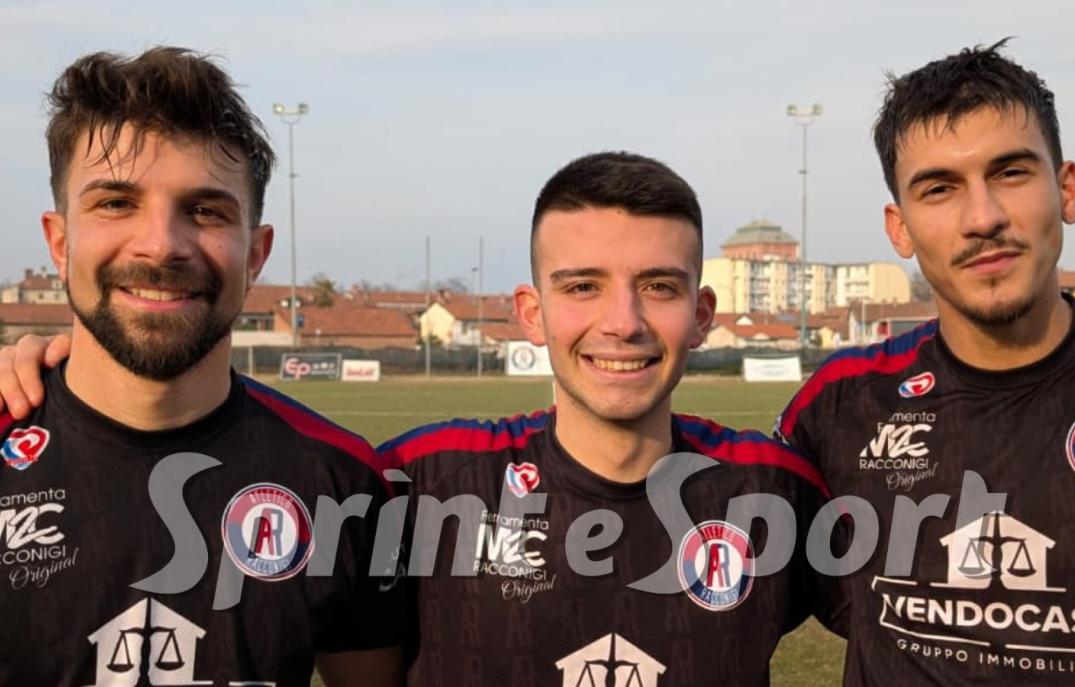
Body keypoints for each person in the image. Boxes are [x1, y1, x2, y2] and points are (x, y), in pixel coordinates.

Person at [0, 151, 834, 685]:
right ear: (531, 313)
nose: (622, 321)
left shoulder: (778, 490)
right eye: (582, 286)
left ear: (705, 312)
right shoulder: (415, 481)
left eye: (659, 285)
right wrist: (60, 355)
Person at [0, 48, 405, 686]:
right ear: (58, 241)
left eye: (207, 210)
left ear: (256, 253)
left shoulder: (344, 480)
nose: (161, 244)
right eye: (115, 203)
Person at [775, 40, 1075, 684]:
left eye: (1011, 173)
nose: (982, 218)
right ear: (901, 229)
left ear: (1068, 190)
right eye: (939, 188)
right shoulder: (839, 405)